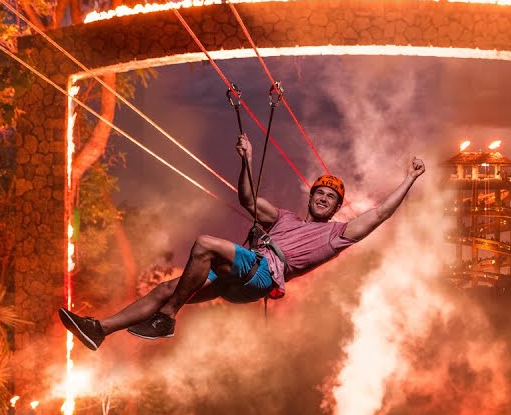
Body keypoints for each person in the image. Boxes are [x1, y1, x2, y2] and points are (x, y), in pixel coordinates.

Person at [59, 133, 426, 350]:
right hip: (241, 273)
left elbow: (378, 216)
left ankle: (168, 318)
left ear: (335, 209)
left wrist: (408, 179)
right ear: (311, 196)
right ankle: (99, 330)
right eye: (319, 193)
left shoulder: (334, 235)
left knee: (204, 244)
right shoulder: (284, 217)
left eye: (331, 199)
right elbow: (248, 202)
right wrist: (247, 160)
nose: (323, 199)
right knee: (165, 289)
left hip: (262, 275)